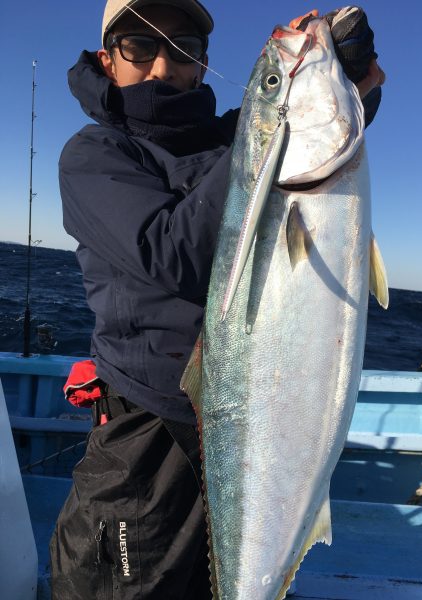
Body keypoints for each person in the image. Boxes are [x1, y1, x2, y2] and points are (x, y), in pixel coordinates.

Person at [50, 2, 385, 598]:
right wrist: (270, 131)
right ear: (108, 59)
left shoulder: (237, 138)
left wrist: (347, 80)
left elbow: (320, 142)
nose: (161, 66)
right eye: (138, 46)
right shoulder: (94, 155)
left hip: (256, 418)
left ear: (203, 63)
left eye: (180, 48)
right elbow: (168, 252)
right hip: (147, 445)